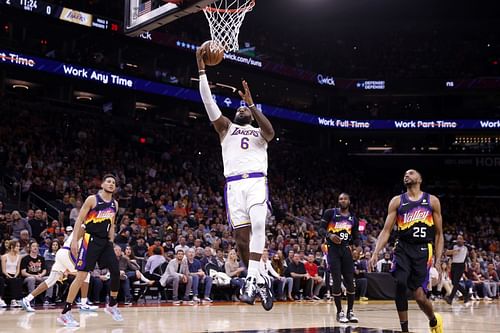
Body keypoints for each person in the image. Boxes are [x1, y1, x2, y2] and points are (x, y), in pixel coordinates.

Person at [197, 46, 275, 310]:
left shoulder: (259, 132)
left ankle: (252, 280)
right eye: (241, 107)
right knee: (242, 240)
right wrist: (201, 69)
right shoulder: (225, 128)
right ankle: (260, 278)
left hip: (255, 181)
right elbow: (208, 102)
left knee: (259, 223)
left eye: (246, 109)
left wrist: (253, 104)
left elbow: (271, 131)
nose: (242, 109)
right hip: (233, 186)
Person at [369, 169, 444, 333]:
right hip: (402, 247)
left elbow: (439, 234)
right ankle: (405, 330)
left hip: (424, 249)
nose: (407, 175)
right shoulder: (397, 201)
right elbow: (386, 230)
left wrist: (438, 261)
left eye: (411, 173)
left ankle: (433, 319)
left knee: (419, 296)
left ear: (420, 178)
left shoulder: (432, 201)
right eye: (405, 174)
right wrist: (376, 253)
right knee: (400, 284)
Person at [57, 174, 122, 327]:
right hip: (89, 240)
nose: (111, 184)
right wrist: (74, 240)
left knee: (115, 270)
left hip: (105, 242)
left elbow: (111, 224)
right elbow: (80, 219)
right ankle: (65, 313)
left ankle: (112, 305)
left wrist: (111, 242)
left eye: (113, 182)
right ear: (102, 184)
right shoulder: (93, 199)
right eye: (108, 181)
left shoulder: (115, 204)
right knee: (81, 276)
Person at [20, 231, 97, 312]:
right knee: (86, 274)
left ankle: (27, 299)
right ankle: (84, 304)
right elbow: (74, 245)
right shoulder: (85, 227)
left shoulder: (88, 229)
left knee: (51, 281)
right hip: (68, 253)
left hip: (62, 253)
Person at [320, 193, 359, 323]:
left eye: (345, 198)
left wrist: (358, 248)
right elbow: (320, 229)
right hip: (332, 250)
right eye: (340, 199)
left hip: (346, 250)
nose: (342, 200)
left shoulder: (353, 218)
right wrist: (330, 236)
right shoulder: (330, 213)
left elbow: (356, 236)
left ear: (349, 201)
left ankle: (350, 311)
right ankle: (339, 312)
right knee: (336, 281)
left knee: (350, 281)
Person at [444, 234, 470, 304]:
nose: (459, 240)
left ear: (463, 240)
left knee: (455, 283)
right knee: (453, 283)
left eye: (460, 239)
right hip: (454, 265)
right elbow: (446, 252)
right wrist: (453, 252)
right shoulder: (453, 245)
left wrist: (473, 259)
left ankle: (450, 298)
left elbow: (473, 252)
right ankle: (466, 295)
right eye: (458, 239)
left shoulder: (467, 246)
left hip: (461, 266)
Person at [1, 240, 23, 307]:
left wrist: (15, 276)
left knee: (17, 280)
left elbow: (18, 270)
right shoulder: (4, 257)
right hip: (6, 275)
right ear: (12, 247)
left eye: (19, 246)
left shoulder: (19, 257)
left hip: (15, 275)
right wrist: (9, 276)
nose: (18, 248)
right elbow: (3, 270)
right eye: (17, 246)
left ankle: (16, 300)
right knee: (11, 280)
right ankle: (13, 300)